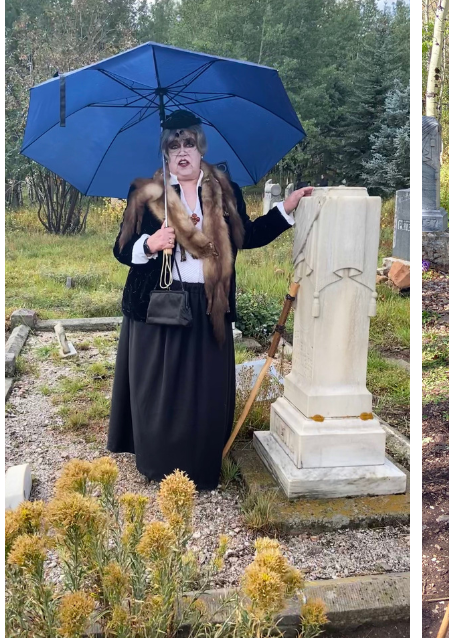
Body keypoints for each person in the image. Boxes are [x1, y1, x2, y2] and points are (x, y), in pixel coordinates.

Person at [107, 109, 314, 490]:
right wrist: (150, 244)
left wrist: (287, 209)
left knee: (203, 391)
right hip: (157, 307)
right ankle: (159, 465)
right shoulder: (146, 194)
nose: (182, 152)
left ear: (200, 149)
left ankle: (199, 466)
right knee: (161, 389)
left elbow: (246, 236)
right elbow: (121, 249)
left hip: (208, 306)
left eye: (189, 143)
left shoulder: (224, 191)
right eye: (173, 145)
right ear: (165, 154)